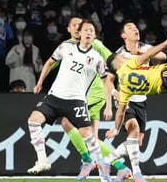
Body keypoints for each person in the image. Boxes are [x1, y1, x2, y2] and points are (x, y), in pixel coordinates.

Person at [27, 19, 112, 182]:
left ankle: (103, 172)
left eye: (92, 31)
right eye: (85, 30)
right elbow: (50, 62)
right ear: (79, 34)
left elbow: (106, 81)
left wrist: (109, 104)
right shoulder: (65, 47)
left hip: (76, 101)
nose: (88, 33)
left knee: (88, 135)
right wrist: (39, 83)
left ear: (95, 36)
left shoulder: (97, 58)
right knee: (33, 120)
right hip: (55, 97)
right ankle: (43, 160)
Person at [58, 15, 132, 182]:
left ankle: (88, 160)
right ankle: (119, 168)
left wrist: (109, 101)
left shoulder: (95, 44)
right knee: (92, 138)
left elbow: (111, 62)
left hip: (93, 94)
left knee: (67, 123)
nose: (78, 29)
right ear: (69, 29)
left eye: (81, 26)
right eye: (75, 26)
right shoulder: (69, 47)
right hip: (80, 94)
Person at [104, 21, 167, 182]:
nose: (135, 29)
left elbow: (163, 56)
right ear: (123, 35)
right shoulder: (119, 55)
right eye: (130, 28)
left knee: (136, 141)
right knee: (134, 128)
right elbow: (109, 80)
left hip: (142, 100)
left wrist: (144, 54)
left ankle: (108, 161)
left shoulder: (144, 48)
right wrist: (113, 94)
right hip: (126, 100)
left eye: (136, 27)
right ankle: (137, 173)